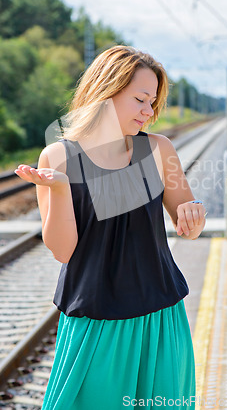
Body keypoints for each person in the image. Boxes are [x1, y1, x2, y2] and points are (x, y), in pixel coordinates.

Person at [14, 45, 206, 409]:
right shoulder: (57, 157)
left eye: (152, 102)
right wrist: (58, 188)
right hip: (96, 321)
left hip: (160, 316)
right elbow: (63, 250)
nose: (149, 112)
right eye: (140, 99)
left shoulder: (159, 150)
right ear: (107, 91)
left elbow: (189, 226)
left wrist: (194, 219)